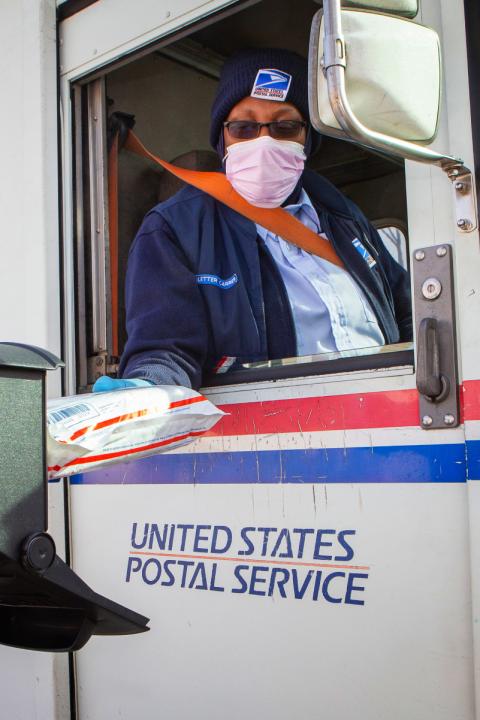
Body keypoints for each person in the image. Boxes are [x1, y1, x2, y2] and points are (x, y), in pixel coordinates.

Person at [94, 48, 412, 393]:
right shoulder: (173, 229)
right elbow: (165, 349)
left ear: (307, 138)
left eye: (285, 126)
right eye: (244, 127)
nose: (264, 142)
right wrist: (149, 389)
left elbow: (407, 311)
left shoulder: (345, 217)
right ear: (223, 137)